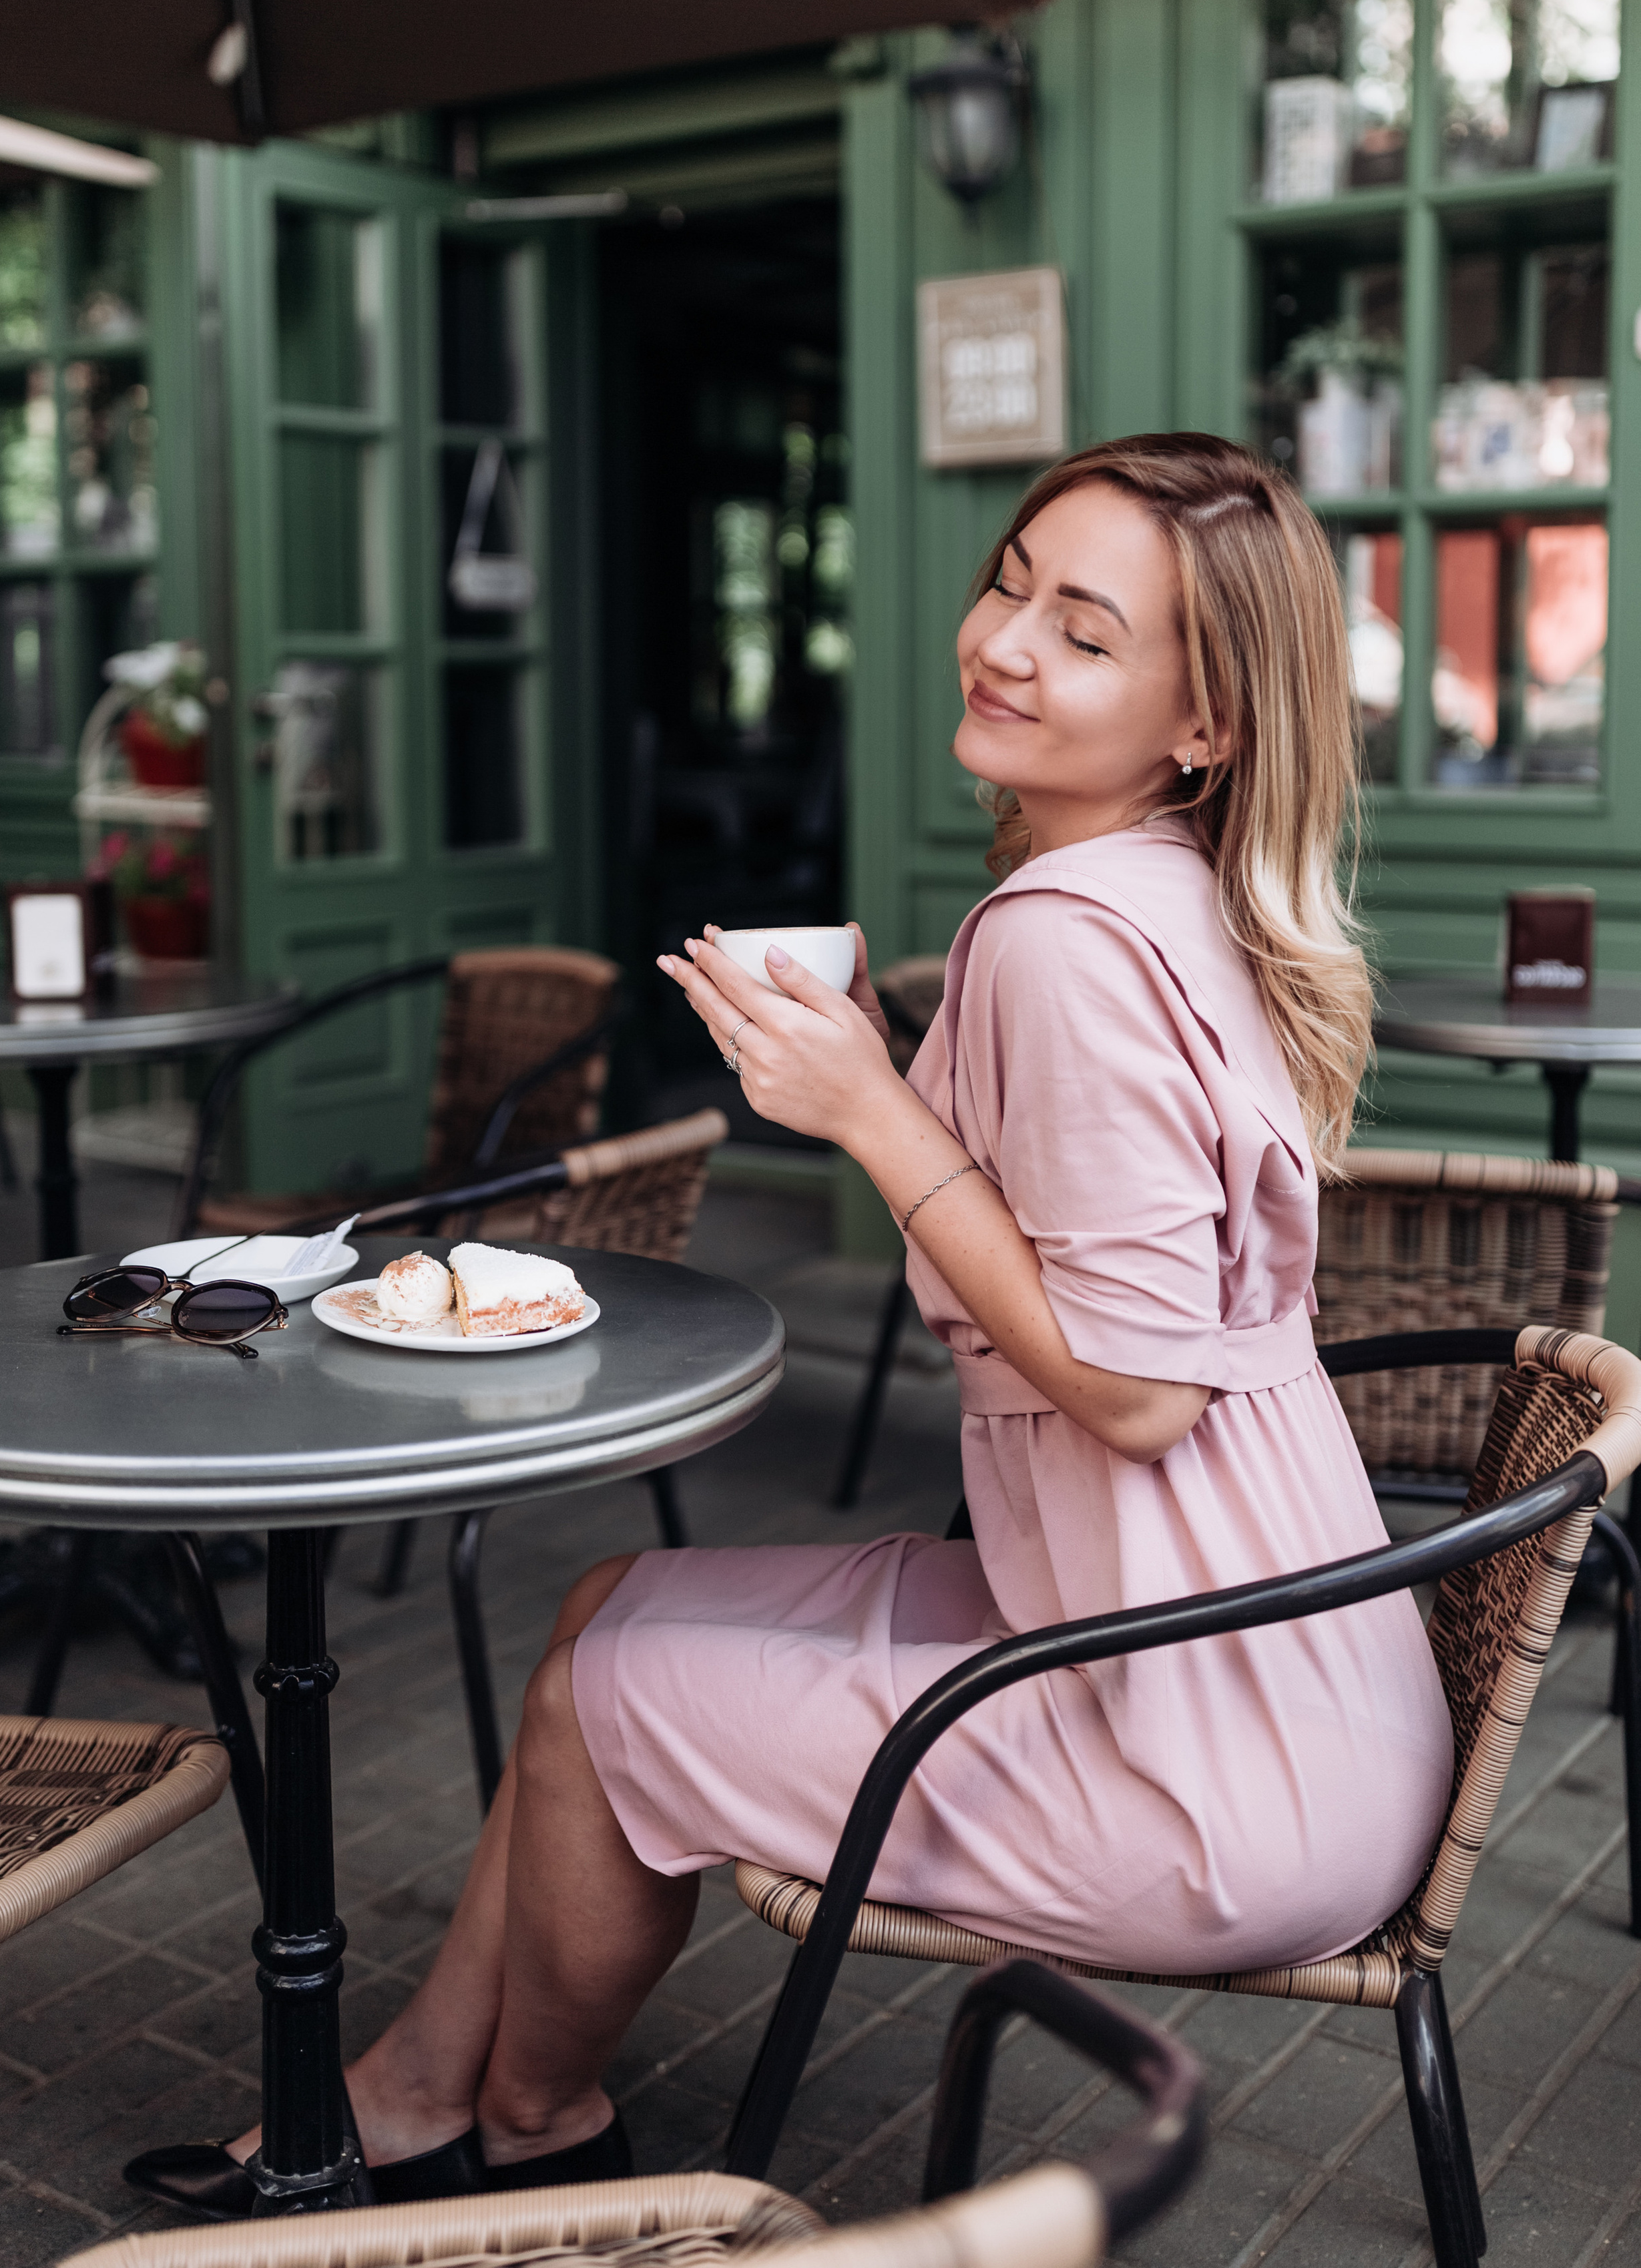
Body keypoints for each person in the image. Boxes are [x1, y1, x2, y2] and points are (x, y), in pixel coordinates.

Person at [129, 433, 1453, 2219]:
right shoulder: (1172, 893)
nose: (1001, 641)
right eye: (1010, 582)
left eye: (1084, 631)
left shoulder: (1066, 939)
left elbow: (1134, 1394)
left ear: (1200, 723)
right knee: (611, 1609)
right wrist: (881, 1091)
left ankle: (530, 2132)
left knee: (609, 1696)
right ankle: (414, 2091)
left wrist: (866, 1109)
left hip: (1204, 1766)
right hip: (1291, 1669)